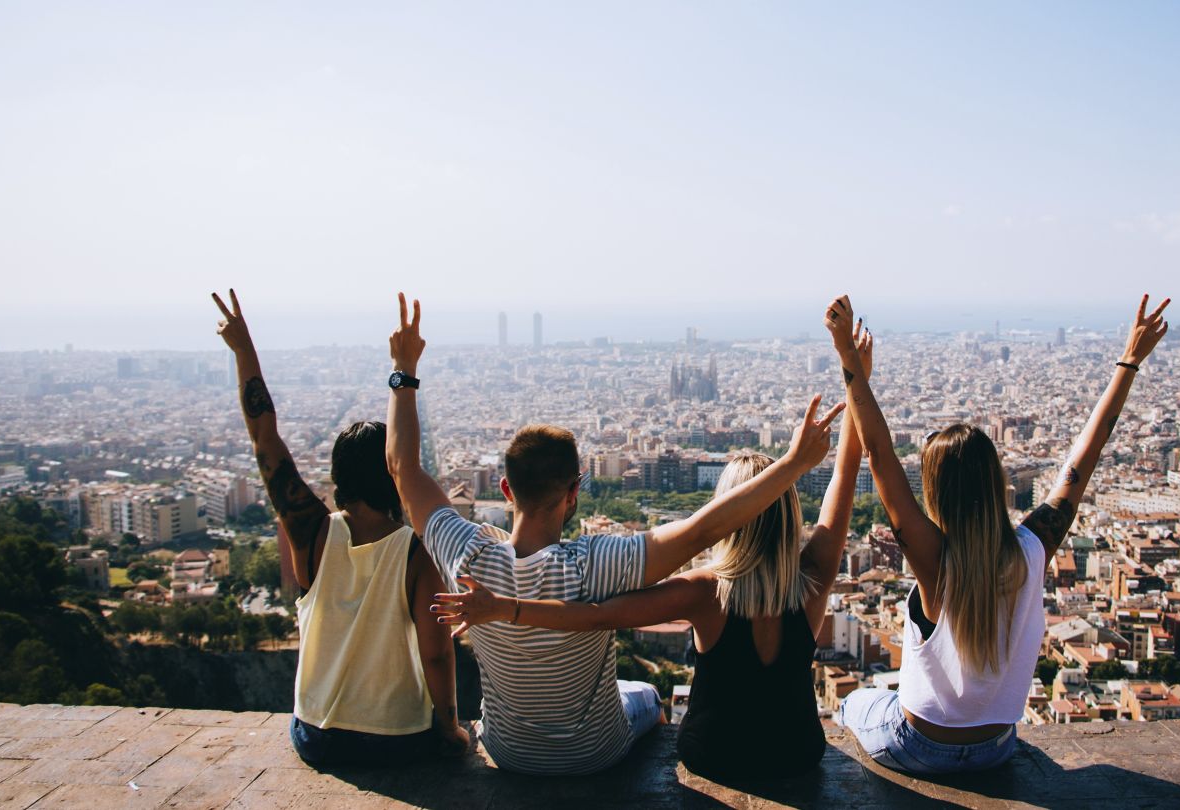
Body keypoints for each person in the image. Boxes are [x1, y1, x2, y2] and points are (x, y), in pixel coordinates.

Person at [385, 292, 844, 775]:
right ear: (574, 492)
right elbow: (703, 531)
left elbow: (402, 468)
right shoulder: (598, 564)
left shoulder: (466, 556)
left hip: (509, 753)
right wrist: (793, 465)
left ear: (505, 489)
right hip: (596, 754)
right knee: (645, 694)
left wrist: (403, 370)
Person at [825, 293, 1170, 775]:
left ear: (936, 491)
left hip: (920, 747)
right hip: (997, 748)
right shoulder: (1032, 549)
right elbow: (1081, 463)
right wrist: (1128, 362)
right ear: (993, 482)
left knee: (854, 702)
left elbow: (879, 456)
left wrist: (849, 357)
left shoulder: (934, 561)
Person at [212, 289, 467, 768]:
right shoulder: (416, 554)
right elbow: (436, 655)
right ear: (392, 477)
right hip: (397, 739)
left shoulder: (311, 533)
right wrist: (449, 728)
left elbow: (264, 438)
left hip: (317, 735)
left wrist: (243, 350)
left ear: (338, 476)